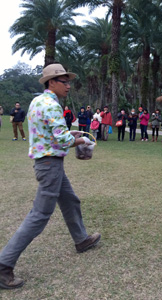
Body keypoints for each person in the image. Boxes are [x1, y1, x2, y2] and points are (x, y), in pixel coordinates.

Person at [0, 63, 100, 290]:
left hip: (48, 162)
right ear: (51, 83)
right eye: (64, 82)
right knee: (39, 215)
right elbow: (62, 141)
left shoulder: (38, 101)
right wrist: (83, 140)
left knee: (69, 200)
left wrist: (69, 133)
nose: (69, 86)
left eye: (68, 82)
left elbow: (52, 133)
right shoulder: (53, 106)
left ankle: (81, 239)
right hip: (50, 164)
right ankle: (3, 265)